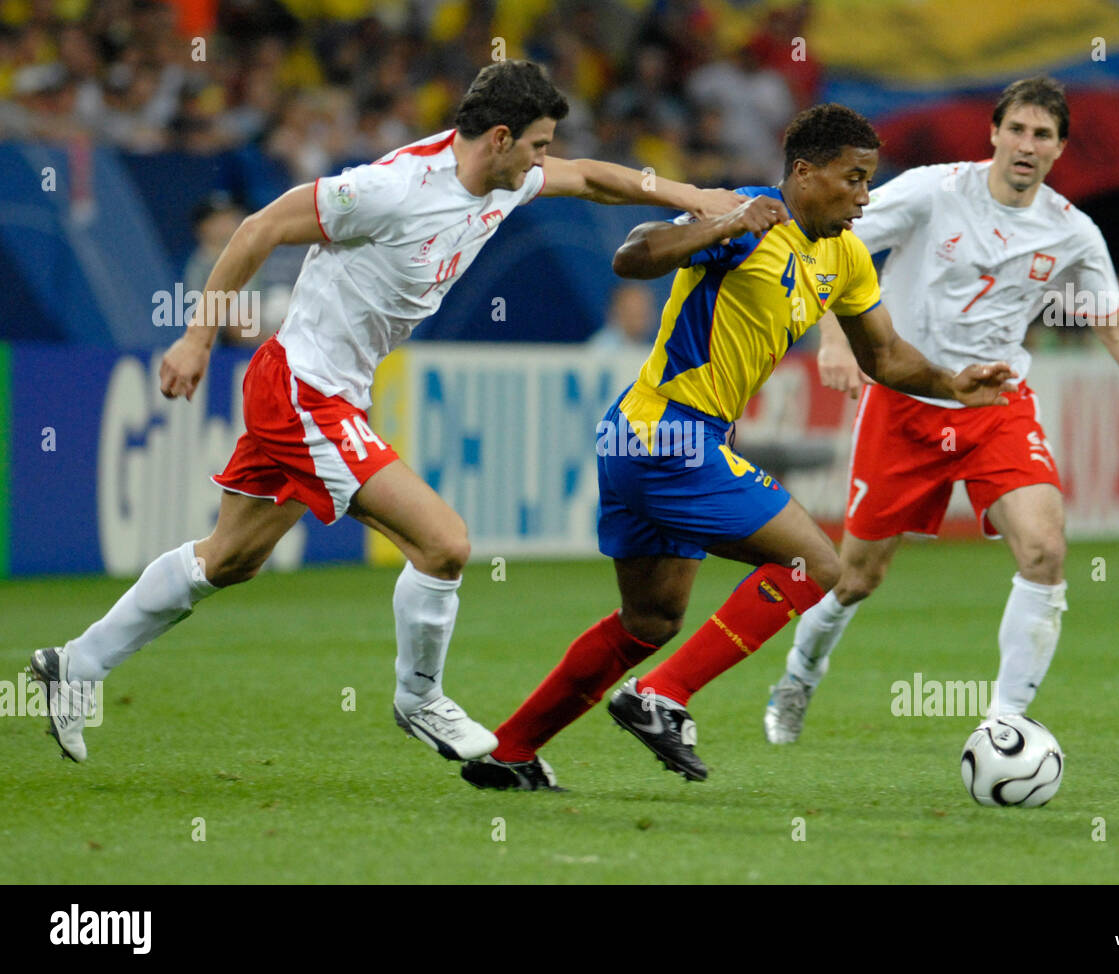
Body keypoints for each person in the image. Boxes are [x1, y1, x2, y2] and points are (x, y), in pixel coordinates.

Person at [28, 59, 739, 765]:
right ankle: (419, 699)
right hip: (304, 389)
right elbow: (259, 229)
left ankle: (75, 667)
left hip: (329, 389)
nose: (543, 160)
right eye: (537, 144)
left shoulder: (506, 179)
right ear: (498, 137)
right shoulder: (392, 189)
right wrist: (196, 335)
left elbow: (589, 176)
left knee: (230, 559)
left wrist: (693, 195)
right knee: (444, 543)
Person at [460, 104, 1017, 791]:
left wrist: (952, 383)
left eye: (870, 181)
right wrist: (721, 222)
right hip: (666, 433)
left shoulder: (843, 255)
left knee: (649, 619)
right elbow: (631, 256)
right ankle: (659, 695)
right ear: (804, 175)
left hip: (654, 439)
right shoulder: (748, 215)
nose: (865, 197)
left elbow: (887, 356)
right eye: (854, 179)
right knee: (818, 565)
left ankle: (510, 751)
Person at [762, 77, 1119, 744]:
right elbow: (835, 239)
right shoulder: (933, 191)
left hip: (996, 403)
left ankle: (1007, 722)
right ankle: (800, 673)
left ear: (1059, 148)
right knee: (857, 575)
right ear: (994, 133)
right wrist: (836, 335)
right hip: (907, 402)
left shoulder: (1072, 232)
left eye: (1042, 134)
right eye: (1017, 129)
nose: (1026, 144)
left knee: (1045, 550)